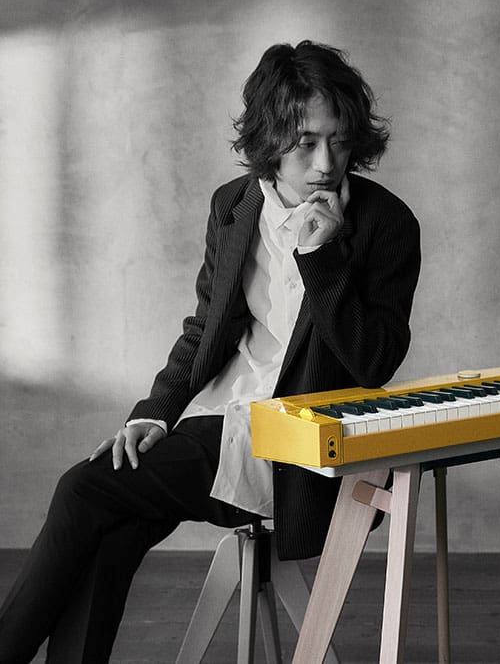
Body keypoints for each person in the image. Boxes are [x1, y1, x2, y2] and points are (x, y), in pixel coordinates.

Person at [0, 40, 421, 662]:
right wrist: (154, 413)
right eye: (305, 142)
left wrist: (323, 259)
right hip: (220, 418)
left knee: (85, 490)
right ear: (269, 139)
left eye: (338, 141)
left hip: (300, 446)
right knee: (113, 530)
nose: (326, 162)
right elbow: (206, 327)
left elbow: (374, 362)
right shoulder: (234, 205)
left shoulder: (386, 224)